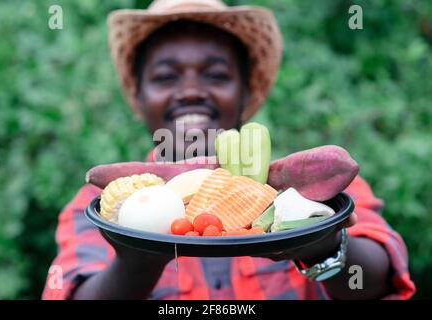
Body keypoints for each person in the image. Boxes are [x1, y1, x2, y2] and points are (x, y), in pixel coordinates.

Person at [42, 0, 415, 300]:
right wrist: (137, 259)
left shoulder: (310, 184)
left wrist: (322, 243)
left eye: (217, 74)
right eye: (165, 76)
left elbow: (375, 282)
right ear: (139, 98)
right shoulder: (98, 204)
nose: (190, 90)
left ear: (246, 91)